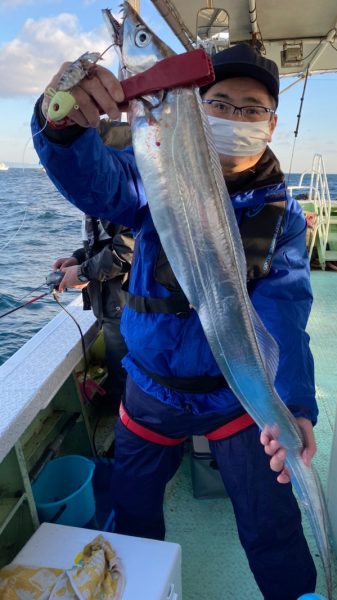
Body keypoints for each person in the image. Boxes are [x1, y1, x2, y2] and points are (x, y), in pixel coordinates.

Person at [32, 43, 319, 600]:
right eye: (220, 103)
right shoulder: (155, 178)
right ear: (194, 108)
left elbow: (286, 314)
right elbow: (95, 180)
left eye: (250, 108)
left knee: (273, 527)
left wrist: (295, 408)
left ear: (272, 123)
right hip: (149, 392)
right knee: (133, 514)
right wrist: (60, 127)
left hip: (235, 402)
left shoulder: (283, 215)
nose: (234, 118)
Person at [52, 121, 134, 409]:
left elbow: (128, 249)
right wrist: (78, 258)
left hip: (126, 303)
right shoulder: (101, 193)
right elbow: (101, 241)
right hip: (110, 301)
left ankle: (119, 415)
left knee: (125, 368)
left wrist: (84, 272)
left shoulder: (133, 196)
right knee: (117, 359)